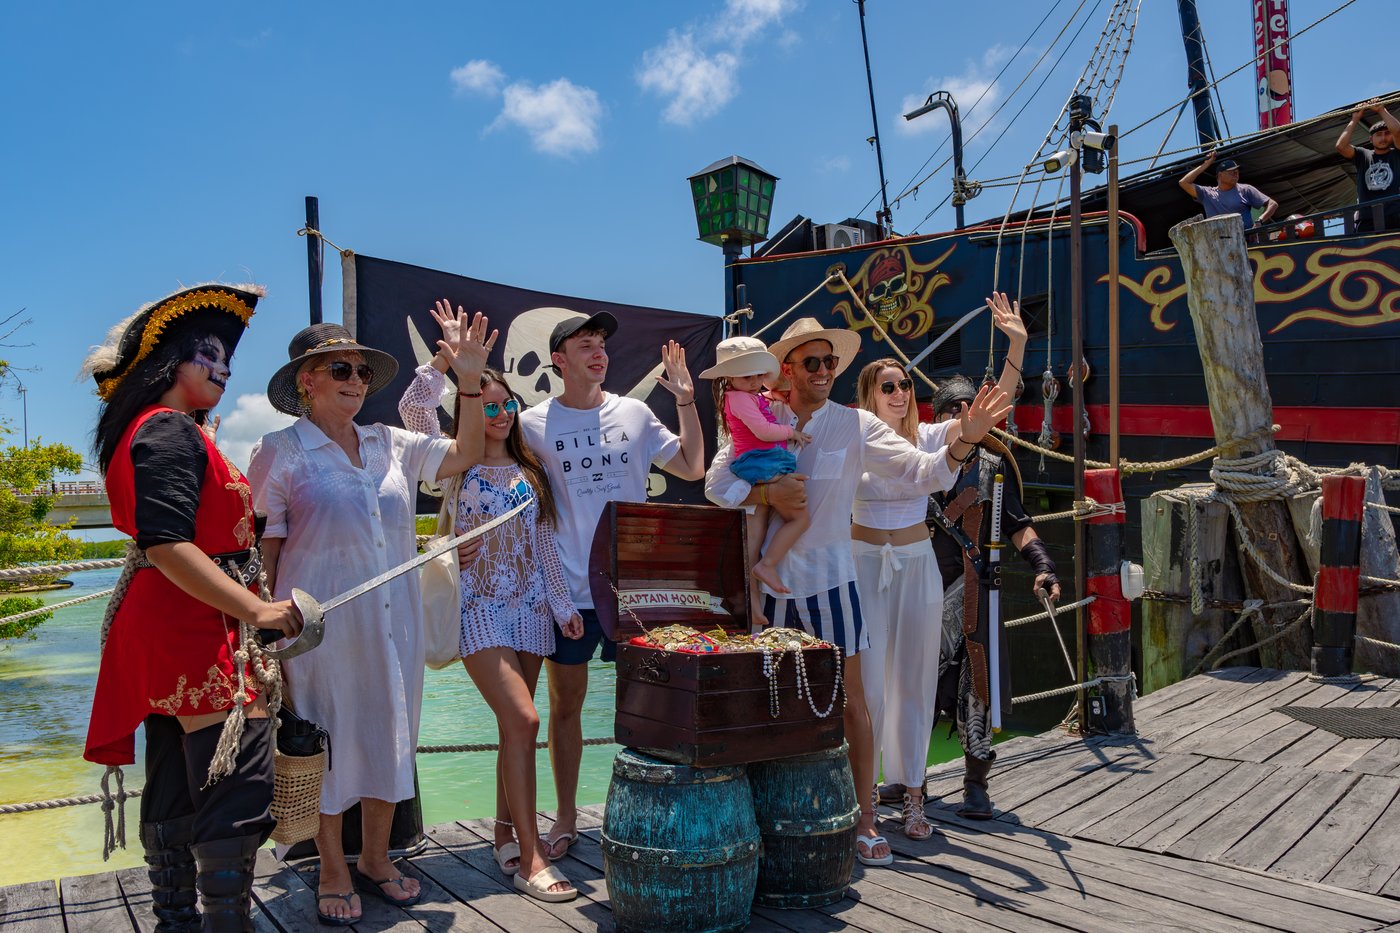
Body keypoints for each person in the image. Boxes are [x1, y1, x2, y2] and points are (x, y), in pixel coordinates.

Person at [707, 316, 1011, 868]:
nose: (825, 371)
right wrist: (767, 492)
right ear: (787, 370)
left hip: (834, 579)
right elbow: (716, 485)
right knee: (772, 703)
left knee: (854, 704)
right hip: (772, 589)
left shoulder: (854, 424)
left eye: (830, 361)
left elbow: (921, 472)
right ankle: (775, 816)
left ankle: (865, 819)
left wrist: (965, 439)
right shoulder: (761, 416)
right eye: (813, 362)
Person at [248, 312, 492, 925]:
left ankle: (377, 859)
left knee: (391, 735)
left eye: (361, 370)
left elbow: (465, 452)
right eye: (340, 369)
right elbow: (263, 550)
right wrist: (261, 626)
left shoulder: (392, 442)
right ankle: (332, 867)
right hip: (318, 633)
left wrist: (467, 381)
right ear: (307, 381)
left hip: (395, 625)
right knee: (324, 745)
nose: (355, 380)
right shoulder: (279, 451)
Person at [81, 283, 303, 932]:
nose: (224, 369)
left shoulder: (158, 429)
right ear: (171, 361)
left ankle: (176, 923)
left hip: (168, 622)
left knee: (176, 783)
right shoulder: (169, 430)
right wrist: (259, 612)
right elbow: (167, 543)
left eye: (227, 357)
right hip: (191, 627)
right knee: (238, 787)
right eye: (210, 354)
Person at [398, 301, 580, 903]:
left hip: (532, 609)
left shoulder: (532, 470)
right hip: (477, 607)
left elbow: (545, 546)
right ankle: (531, 857)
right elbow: (413, 409)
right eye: (489, 405)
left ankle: (504, 832)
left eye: (508, 405)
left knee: (513, 730)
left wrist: (562, 606)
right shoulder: (456, 461)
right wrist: (446, 362)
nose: (500, 414)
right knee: (525, 719)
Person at [517, 311, 704, 860]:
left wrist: (686, 400)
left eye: (601, 343)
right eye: (585, 344)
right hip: (568, 592)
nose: (598, 352)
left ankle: (646, 814)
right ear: (559, 359)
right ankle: (567, 816)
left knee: (649, 706)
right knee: (565, 706)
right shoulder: (530, 424)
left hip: (635, 593)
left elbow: (693, 466)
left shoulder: (636, 413)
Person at [853, 292, 1028, 842]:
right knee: (868, 685)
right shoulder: (852, 436)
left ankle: (912, 795)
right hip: (862, 565)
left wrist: (1017, 345)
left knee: (914, 679)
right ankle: (864, 795)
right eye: (889, 386)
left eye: (905, 385)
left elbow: (990, 409)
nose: (900, 393)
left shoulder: (928, 436)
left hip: (914, 564)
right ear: (869, 394)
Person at [879, 371, 1062, 820]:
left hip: (974, 593)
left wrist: (1043, 566)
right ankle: (906, 776)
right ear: (939, 418)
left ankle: (976, 786)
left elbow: (1018, 525)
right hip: (917, 588)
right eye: (954, 411)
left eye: (968, 409)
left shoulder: (992, 467)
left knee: (976, 689)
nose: (962, 417)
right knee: (910, 685)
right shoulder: (913, 461)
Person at [699, 335, 811, 624]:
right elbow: (763, 431)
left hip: (760, 463)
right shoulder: (740, 399)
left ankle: (753, 606)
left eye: (758, 375)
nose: (754, 381)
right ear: (729, 377)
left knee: (752, 537)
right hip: (763, 463)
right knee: (800, 518)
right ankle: (768, 565)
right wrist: (792, 432)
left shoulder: (744, 397)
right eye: (746, 376)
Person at [1337, 98, 1400, 232]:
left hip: (1396, 217)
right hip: (1367, 219)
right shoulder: (1363, 155)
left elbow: (1398, 132)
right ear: (1371, 139)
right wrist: (1355, 119)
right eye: (1379, 135)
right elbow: (1341, 146)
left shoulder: (1397, 153)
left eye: (1387, 134)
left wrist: (1381, 110)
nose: (1383, 138)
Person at [1177, 150, 1278, 231]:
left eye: (1237, 171)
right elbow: (1183, 182)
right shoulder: (1207, 193)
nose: (1236, 174)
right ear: (1220, 175)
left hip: (1244, 242)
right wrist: (1206, 164)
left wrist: (1259, 221)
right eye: (1231, 172)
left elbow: (1273, 204)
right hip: (1218, 245)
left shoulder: (1246, 189)